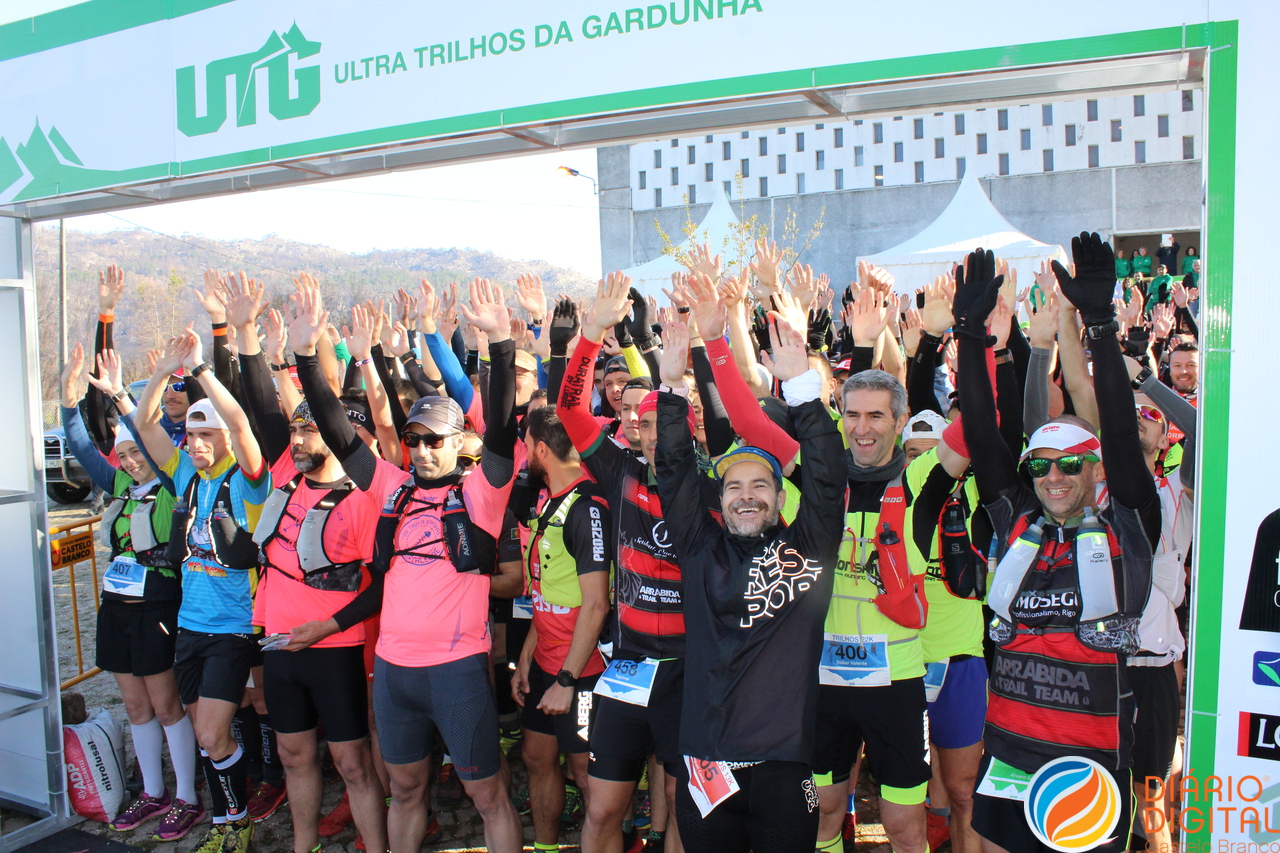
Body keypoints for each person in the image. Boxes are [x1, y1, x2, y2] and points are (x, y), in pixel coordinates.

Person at [960, 235, 1157, 853]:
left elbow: (1122, 433)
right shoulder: (1015, 517)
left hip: (1088, 757)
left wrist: (1099, 325)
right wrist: (971, 335)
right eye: (1042, 465)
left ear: (1096, 469)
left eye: (1071, 464)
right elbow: (984, 432)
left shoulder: (1127, 522)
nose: (1055, 478)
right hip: (1010, 745)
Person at [342, 279, 526, 853]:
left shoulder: (481, 494)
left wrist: (498, 344)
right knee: (404, 789)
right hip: (396, 672)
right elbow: (338, 436)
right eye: (413, 440)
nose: (421, 451)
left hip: (458, 670)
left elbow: (499, 431)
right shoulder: (391, 487)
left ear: (456, 442)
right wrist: (303, 359)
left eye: (434, 441)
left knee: (488, 795)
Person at [653, 312, 845, 853]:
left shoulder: (808, 547)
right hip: (707, 763)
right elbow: (672, 468)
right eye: (733, 485)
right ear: (718, 499)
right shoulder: (698, 547)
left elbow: (828, 476)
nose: (746, 495)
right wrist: (670, 389)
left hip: (786, 767)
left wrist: (805, 389)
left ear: (782, 498)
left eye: (761, 484)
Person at [223, 276, 391, 853]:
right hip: (278, 644)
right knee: (295, 754)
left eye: (309, 427)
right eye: (295, 428)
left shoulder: (361, 496)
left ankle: (377, 844)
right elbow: (261, 406)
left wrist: (328, 628)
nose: (296, 436)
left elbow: (382, 586)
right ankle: (302, 846)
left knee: (351, 762)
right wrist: (244, 337)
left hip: (334, 647)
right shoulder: (282, 475)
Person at [559, 273, 696, 853]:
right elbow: (569, 410)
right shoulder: (620, 472)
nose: (642, 422)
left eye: (658, 414)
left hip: (692, 672)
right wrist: (588, 337)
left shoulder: (709, 485)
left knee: (690, 815)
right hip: (629, 667)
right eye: (637, 416)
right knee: (602, 809)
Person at [133, 329, 272, 853]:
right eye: (189, 436)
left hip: (234, 629)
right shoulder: (186, 479)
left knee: (214, 735)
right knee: (209, 738)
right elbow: (145, 423)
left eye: (204, 436)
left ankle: (236, 819)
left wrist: (199, 369)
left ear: (225, 440)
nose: (194, 445)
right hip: (189, 627)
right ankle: (225, 822)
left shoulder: (246, 482)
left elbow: (239, 422)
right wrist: (163, 370)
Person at [60, 345, 203, 841]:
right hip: (116, 608)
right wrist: (68, 396)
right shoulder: (118, 481)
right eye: (123, 454)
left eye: (136, 451)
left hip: (158, 606)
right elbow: (79, 444)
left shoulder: (172, 481)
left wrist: (125, 396)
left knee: (166, 706)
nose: (129, 460)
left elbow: (153, 439)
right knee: (135, 706)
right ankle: (153, 791)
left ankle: (186, 794)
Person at [512, 406, 612, 853]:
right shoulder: (547, 495)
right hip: (546, 662)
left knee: (588, 773)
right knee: (536, 757)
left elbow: (596, 603)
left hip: (582, 672)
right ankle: (546, 847)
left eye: (524, 448)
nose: (521, 459)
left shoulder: (586, 505)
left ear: (540, 449)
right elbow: (548, 585)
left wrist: (567, 681)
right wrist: (530, 652)